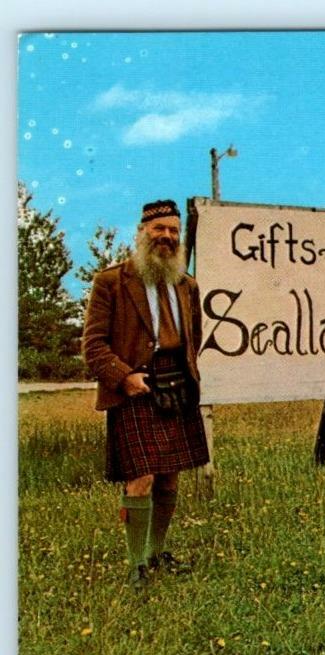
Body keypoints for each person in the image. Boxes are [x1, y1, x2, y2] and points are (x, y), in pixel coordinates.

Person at [83, 199, 209, 590]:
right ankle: (135, 563)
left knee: (170, 479)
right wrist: (124, 377)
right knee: (141, 479)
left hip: (177, 384)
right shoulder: (112, 281)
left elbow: (195, 338)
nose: (167, 237)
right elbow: (93, 344)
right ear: (141, 233)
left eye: (173, 231)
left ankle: (158, 553)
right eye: (159, 230)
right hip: (138, 388)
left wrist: (187, 374)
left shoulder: (187, 285)